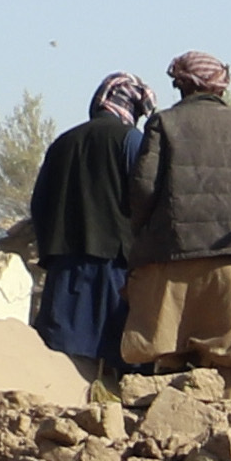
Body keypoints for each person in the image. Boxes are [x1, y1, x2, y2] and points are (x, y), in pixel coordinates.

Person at [122, 52, 231, 396]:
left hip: (171, 257)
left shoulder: (163, 124)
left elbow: (142, 190)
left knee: (168, 362)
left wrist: (140, 233)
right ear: (221, 87)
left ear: (181, 85)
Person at [28, 73, 151, 386]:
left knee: (63, 360)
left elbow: (39, 204)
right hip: (114, 267)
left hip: (65, 268)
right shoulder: (131, 141)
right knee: (119, 358)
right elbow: (146, 199)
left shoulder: (63, 142)